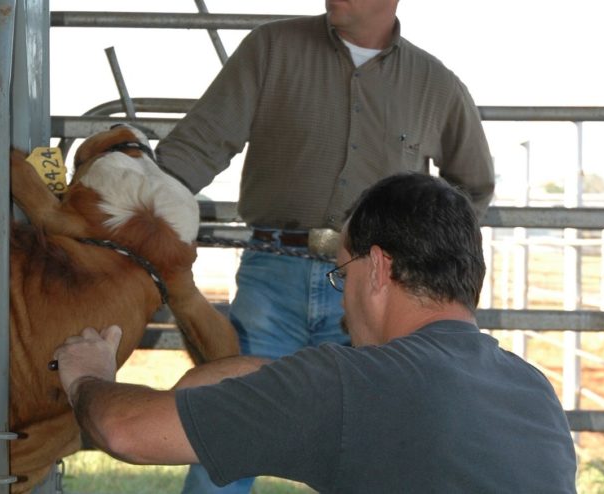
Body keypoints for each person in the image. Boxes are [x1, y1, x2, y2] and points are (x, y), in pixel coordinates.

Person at [53, 173, 577, 494]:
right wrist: (265, 378)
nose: (343, 301)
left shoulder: (347, 385)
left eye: (341, 274)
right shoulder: (533, 391)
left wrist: (88, 375)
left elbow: (125, 430)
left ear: (377, 269)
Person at [156, 1, 494, 487]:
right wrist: (142, 201)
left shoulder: (435, 84)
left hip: (379, 288)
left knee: (381, 442)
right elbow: (199, 145)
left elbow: (473, 187)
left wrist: (425, 256)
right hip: (273, 272)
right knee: (224, 427)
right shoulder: (271, 48)